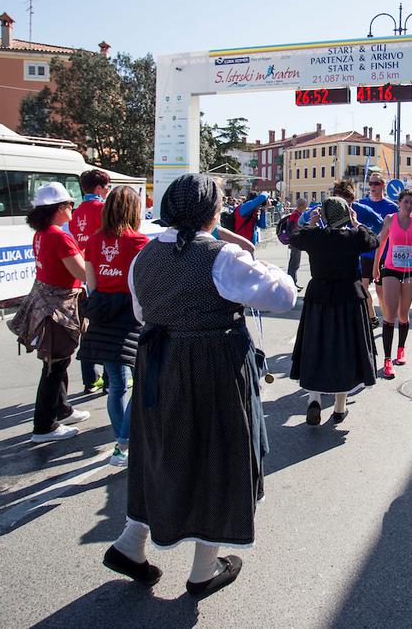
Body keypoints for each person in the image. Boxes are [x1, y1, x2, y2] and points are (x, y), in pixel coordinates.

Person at [103, 174, 296, 597]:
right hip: (213, 364)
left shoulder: (145, 256)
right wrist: (243, 248)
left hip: (158, 362)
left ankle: (130, 545)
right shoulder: (223, 256)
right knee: (218, 456)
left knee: (164, 452)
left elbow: (142, 312)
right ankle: (203, 571)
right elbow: (284, 296)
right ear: (214, 212)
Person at [8, 183, 91, 443]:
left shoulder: (42, 234)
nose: (72, 209)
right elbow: (81, 273)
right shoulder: (58, 236)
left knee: (57, 360)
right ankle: (44, 426)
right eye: (69, 205)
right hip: (58, 307)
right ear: (58, 208)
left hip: (45, 303)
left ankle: (62, 409)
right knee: (55, 365)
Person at [77, 186, 150, 467]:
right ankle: (124, 441)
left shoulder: (93, 241)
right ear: (134, 210)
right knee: (141, 382)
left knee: (116, 384)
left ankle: (121, 443)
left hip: (102, 315)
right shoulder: (139, 241)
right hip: (130, 316)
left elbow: (91, 285)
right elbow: (142, 285)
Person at [290, 196, 379, 425]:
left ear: (325, 215)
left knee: (315, 347)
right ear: (346, 214)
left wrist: (311, 223)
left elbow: (295, 238)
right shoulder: (353, 237)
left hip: (318, 297)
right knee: (345, 351)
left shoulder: (314, 237)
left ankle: (314, 400)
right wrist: (356, 222)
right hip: (349, 297)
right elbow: (373, 241)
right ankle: (339, 408)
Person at [373, 189, 412, 379]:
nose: (409, 205)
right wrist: (376, 267)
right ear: (399, 203)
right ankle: (387, 360)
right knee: (389, 316)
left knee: (403, 315)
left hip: (410, 272)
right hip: (390, 270)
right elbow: (381, 244)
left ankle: (401, 350)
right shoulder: (390, 219)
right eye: (406, 202)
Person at [71, 169, 111, 395]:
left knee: (88, 327)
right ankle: (109, 378)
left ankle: (90, 378)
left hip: (84, 273)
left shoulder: (75, 212)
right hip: (105, 271)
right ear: (98, 188)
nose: (108, 191)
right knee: (106, 326)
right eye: (107, 187)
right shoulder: (103, 208)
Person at [356, 173, 399, 327]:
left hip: (382, 254)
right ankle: (372, 318)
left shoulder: (391, 207)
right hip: (365, 253)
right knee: (363, 287)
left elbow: (395, 230)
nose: (372, 187)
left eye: (375, 184)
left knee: (381, 292)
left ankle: (387, 319)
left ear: (382, 185)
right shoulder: (361, 203)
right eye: (371, 183)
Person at [286, 198, 308, 289]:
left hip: (296, 240)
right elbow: (290, 228)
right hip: (295, 241)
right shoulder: (295, 214)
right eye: (306, 205)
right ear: (302, 205)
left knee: (295, 263)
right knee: (294, 263)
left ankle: (293, 282)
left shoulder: (298, 214)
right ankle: (291, 283)